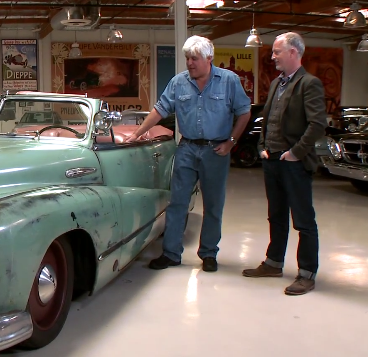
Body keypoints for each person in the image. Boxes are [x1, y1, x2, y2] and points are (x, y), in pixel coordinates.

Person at [125, 35, 251, 272]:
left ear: (209, 59)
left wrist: (231, 142)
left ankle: (209, 254)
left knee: (214, 205)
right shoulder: (178, 82)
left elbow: (244, 112)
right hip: (187, 148)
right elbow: (160, 109)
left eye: (194, 58)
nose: (190, 63)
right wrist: (138, 133)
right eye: (187, 58)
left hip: (216, 151)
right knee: (177, 203)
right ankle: (171, 254)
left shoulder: (229, 81)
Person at [241, 32, 326, 296]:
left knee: (303, 220)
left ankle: (306, 273)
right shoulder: (278, 82)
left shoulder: (309, 84)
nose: (273, 55)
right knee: (276, 216)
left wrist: (296, 152)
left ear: (293, 52)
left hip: (294, 163)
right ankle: (274, 263)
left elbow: (317, 124)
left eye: (278, 51)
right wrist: (262, 147)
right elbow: (269, 119)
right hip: (273, 161)